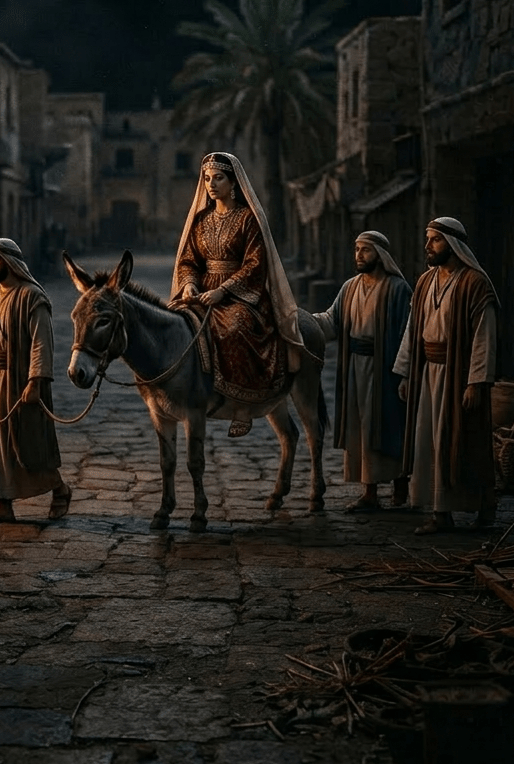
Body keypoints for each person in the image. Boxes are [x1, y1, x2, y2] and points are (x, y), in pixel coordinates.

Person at [170, 151, 304, 436]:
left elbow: (256, 264)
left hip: (241, 295)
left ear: (233, 183)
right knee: (173, 324)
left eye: (218, 178)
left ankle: (242, 406)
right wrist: (190, 283)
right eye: (207, 179)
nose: (211, 184)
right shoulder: (201, 219)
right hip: (202, 291)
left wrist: (223, 291)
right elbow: (189, 259)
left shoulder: (247, 219)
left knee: (235, 326)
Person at [392, 217, 499, 535]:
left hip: (458, 376)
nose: (428, 246)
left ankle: (484, 506)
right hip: (428, 374)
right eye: (427, 239)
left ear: (453, 245)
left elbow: (485, 336)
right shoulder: (425, 282)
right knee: (430, 440)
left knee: (465, 441)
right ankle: (440, 513)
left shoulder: (475, 284)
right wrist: (406, 373)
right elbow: (413, 331)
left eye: (434, 240)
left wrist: (476, 381)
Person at [0, 238, 71, 524]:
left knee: (26, 443)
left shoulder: (32, 297)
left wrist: (35, 381)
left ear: (10, 262)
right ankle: (3, 506)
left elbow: (41, 344)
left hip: (21, 383)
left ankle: (60, 489)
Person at [314, 231, 411, 512]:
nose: (359, 255)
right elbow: (331, 322)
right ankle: (369, 492)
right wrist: (301, 321)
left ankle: (400, 481)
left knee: (389, 425)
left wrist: (404, 373)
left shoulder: (398, 289)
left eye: (365, 250)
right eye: (356, 249)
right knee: (362, 427)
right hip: (355, 367)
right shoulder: (350, 288)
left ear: (380, 255)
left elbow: (408, 334)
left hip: (386, 369)